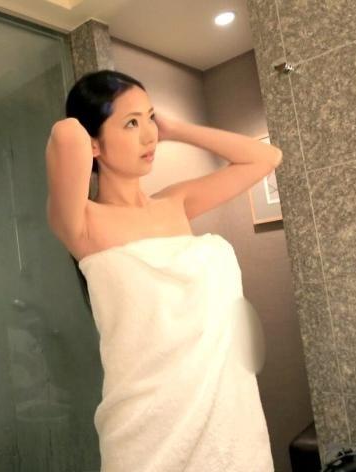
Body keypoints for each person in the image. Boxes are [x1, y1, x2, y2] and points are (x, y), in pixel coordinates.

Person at [45, 69, 282, 471]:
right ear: (94, 143)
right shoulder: (81, 222)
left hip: (229, 426)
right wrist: (94, 130)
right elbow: (66, 133)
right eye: (131, 123)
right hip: (149, 432)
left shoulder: (176, 203)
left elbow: (267, 158)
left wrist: (173, 128)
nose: (149, 135)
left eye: (150, 118)